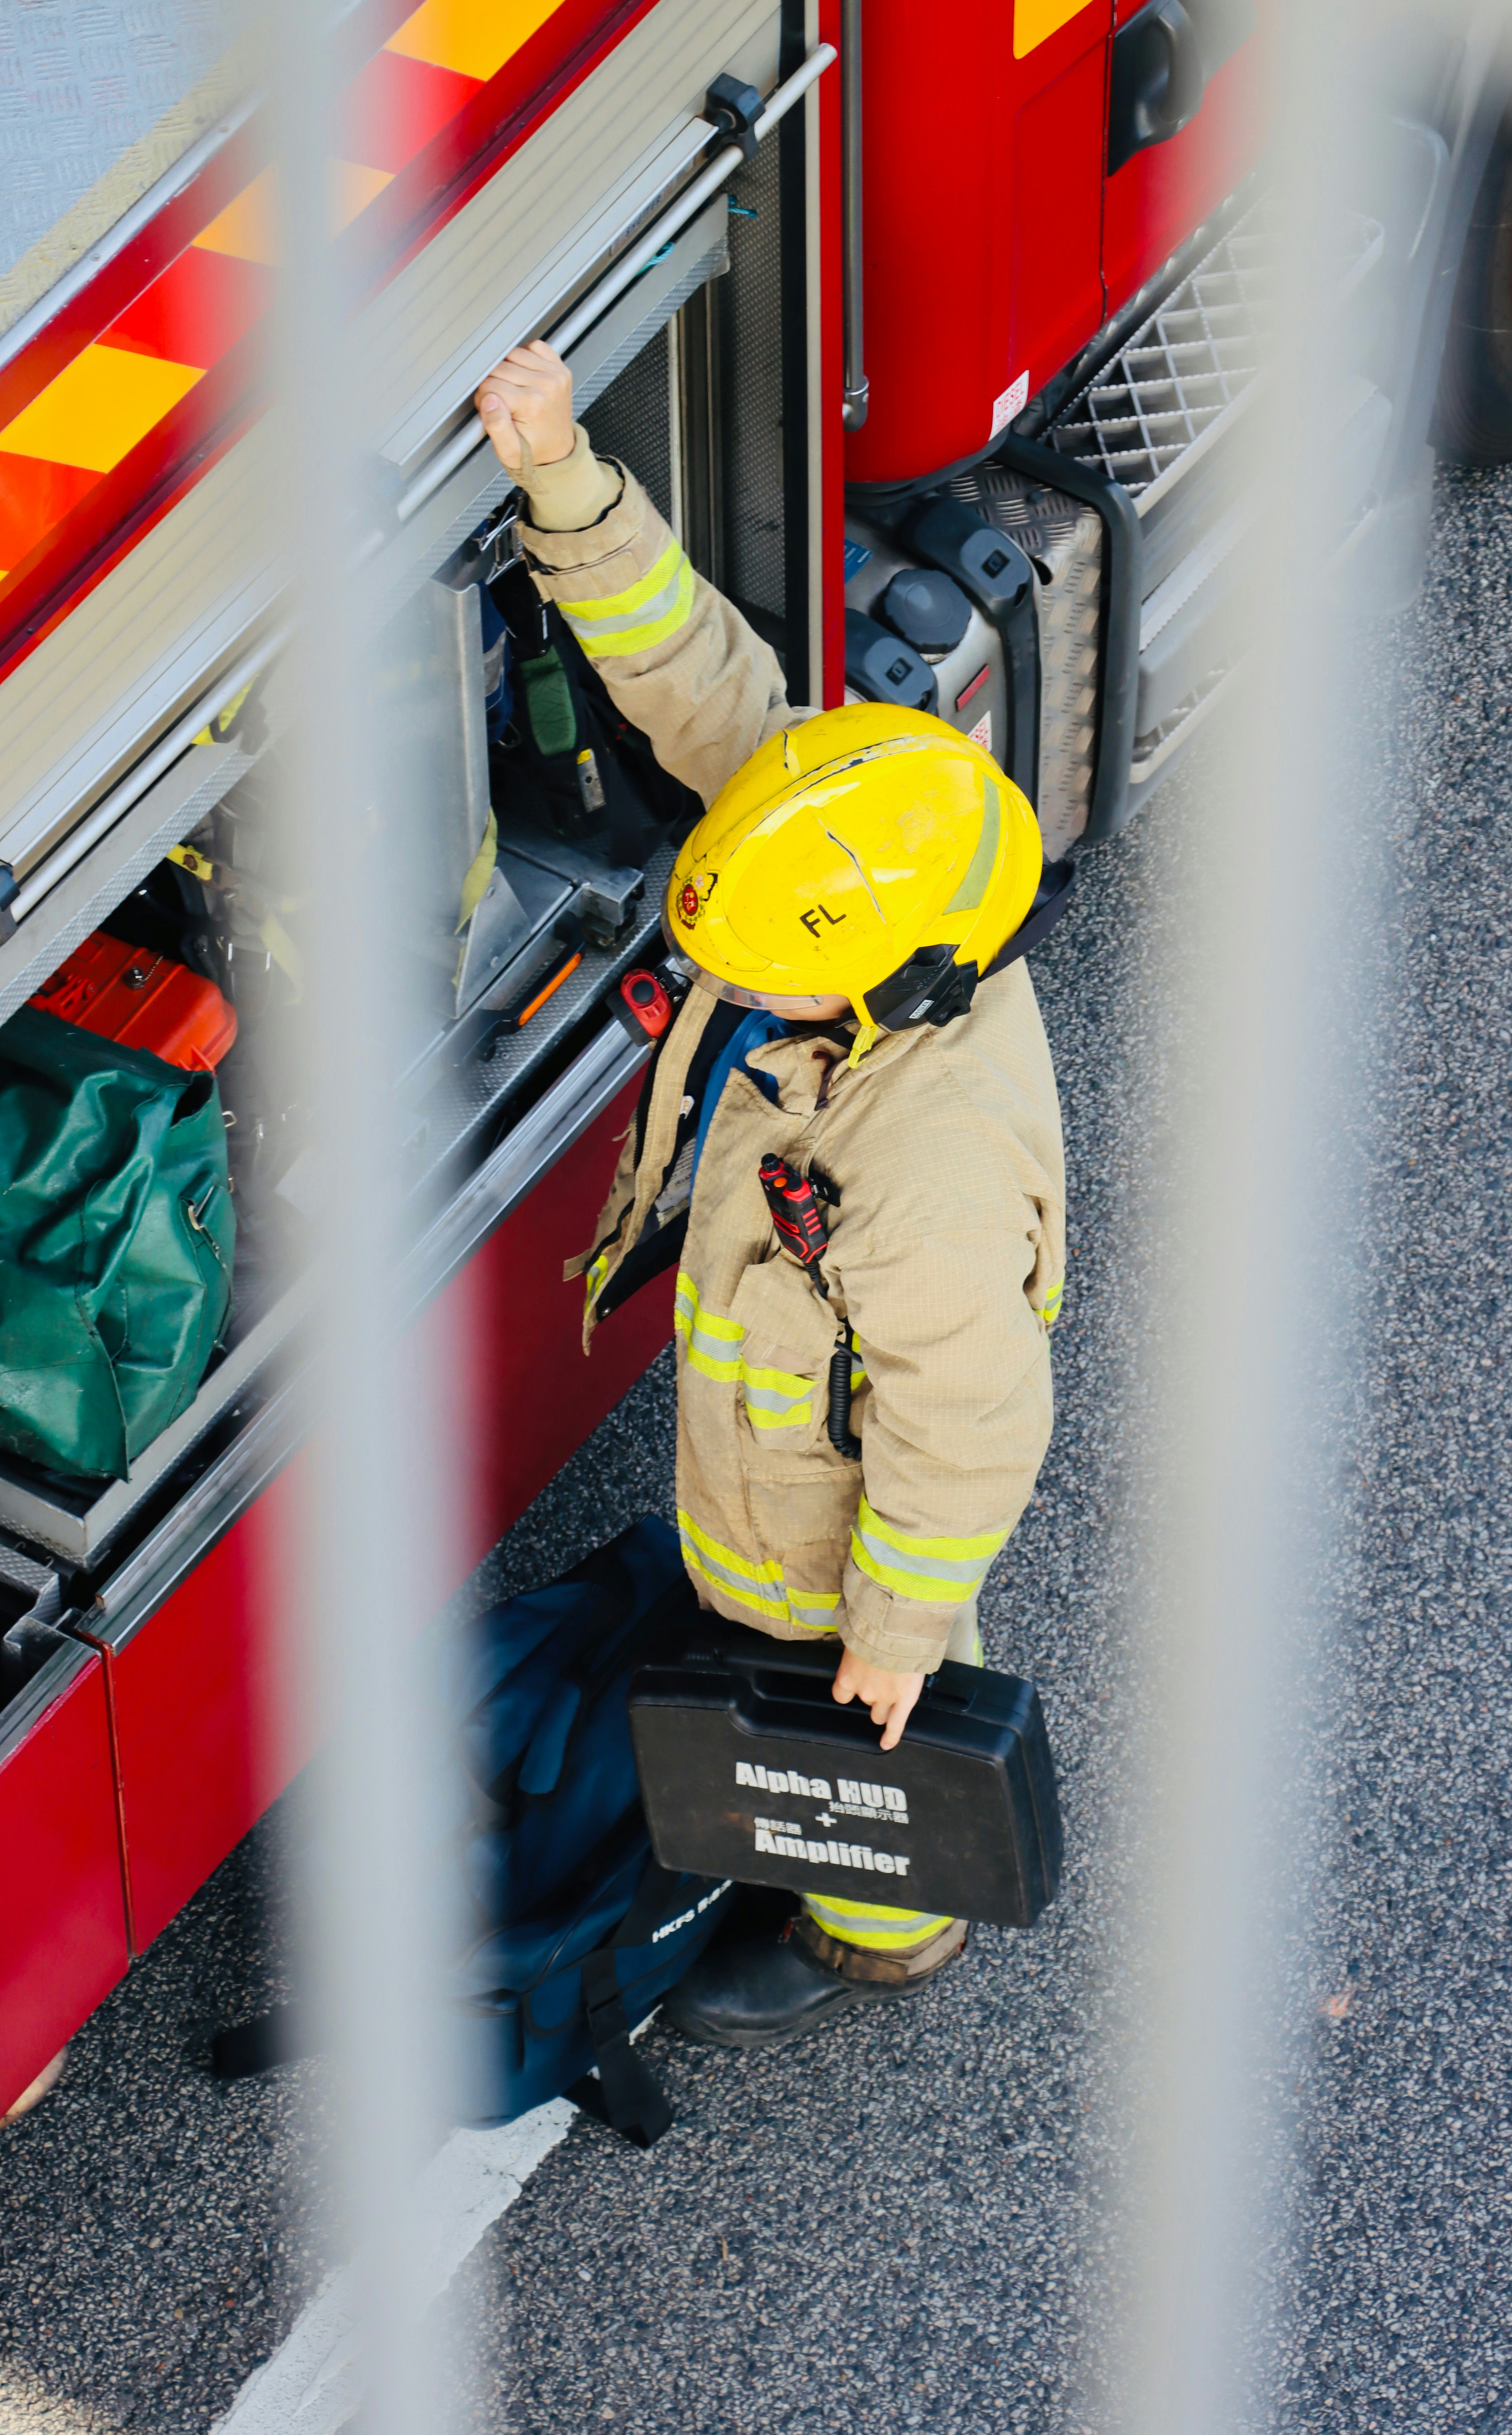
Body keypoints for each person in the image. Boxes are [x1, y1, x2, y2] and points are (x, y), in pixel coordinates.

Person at [475, 342, 1066, 2049]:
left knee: (853, 1730)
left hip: (831, 1525)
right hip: (777, 1444)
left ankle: (872, 1927)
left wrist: (887, 1636)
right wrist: (564, 482)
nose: (742, 997)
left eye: (774, 991)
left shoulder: (922, 1174)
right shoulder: (850, 834)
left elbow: (962, 1431)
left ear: (885, 988)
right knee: (768, 1658)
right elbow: (693, 673)